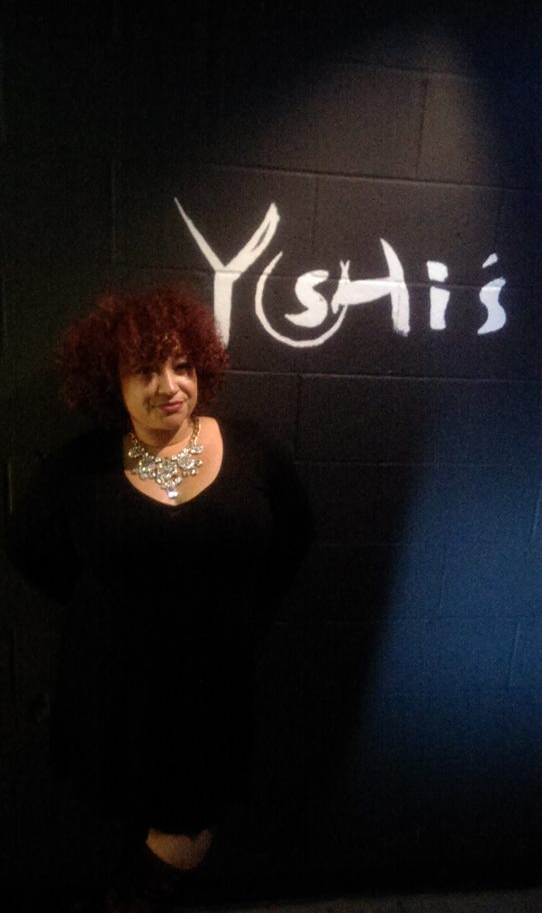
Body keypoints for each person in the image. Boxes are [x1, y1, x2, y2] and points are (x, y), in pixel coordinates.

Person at [7, 285, 313, 912]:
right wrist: (108, 607)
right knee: (126, 816)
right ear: (111, 383)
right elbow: (28, 548)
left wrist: (246, 620)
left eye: (182, 365)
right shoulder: (81, 467)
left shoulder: (253, 451)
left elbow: (295, 536)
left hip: (213, 692)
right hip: (116, 691)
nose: (169, 386)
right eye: (145, 371)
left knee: (187, 827)